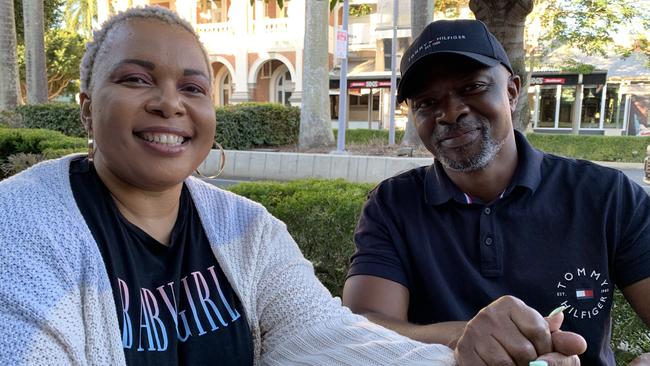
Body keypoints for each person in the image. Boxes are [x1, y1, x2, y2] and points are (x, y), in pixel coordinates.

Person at [0, 7, 462, 365]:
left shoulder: (249, 230)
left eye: (194, 88)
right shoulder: (21, 224)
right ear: (86, 109)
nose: (169, 103)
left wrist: (460, 357)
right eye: (136, 80)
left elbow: (328, 337)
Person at [342, 19, 650, 366]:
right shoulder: (392, 206)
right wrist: (464, 337)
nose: (450, 112)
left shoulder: (607, 196)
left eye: (472, 87)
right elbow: (361, 327)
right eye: (426, 103)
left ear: (513, 92)